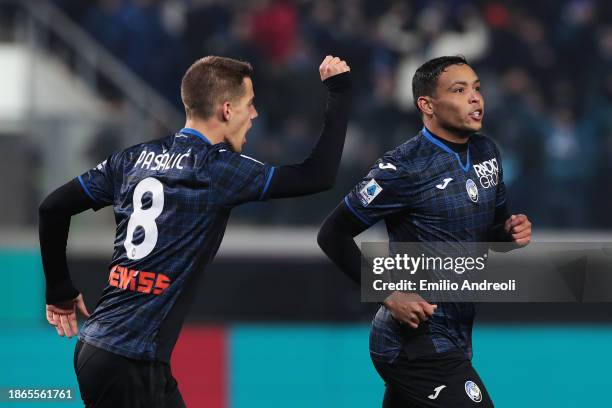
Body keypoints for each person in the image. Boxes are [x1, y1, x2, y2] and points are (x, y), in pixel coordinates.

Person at [39, 55, 351, 407]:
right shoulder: (216, 169)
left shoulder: (131, 159)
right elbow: (318, 176)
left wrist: (59, 288)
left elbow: (52, 207)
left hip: (109, 351)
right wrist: (339, 92)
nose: (255, 115)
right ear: (227, 110)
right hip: (129, 361)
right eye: (250, 105)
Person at [317, 55, 531, 407]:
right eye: (460, 90)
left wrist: (509, 233)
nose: (475, 98)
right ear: (427, 105)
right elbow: (332, 234)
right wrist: (388, 293)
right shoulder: (403, 167)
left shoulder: (487, 153)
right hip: (412, 341)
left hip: (457, 336)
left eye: (477, 88)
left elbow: (490, 234)